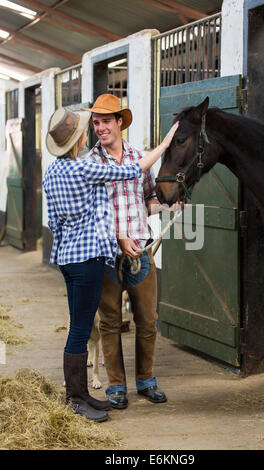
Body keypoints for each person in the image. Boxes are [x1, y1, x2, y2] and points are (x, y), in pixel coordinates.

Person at [42, 106, 178, 422]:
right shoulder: (84, 168)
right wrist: (167, 143)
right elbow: (134, 169)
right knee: (81, 329)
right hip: (89, 259)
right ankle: (76, 399)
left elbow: (54, 220)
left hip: (66, 257)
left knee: (80, 325)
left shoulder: (53, 171)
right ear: (77, 141)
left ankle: (83, 395)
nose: (94, 131)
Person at [87, 94, 176, 410]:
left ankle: (146, 381)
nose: (100, 128)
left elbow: (149, 197)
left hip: (141, 252)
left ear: (120, 122)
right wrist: (117, 236)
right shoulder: (90, 163)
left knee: (148, 320)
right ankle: (115, 387)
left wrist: (164, 206)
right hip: (107, 254)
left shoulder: (140, 157)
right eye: (96, 122)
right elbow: (91, 213)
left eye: (106, 121)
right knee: (110, 322)